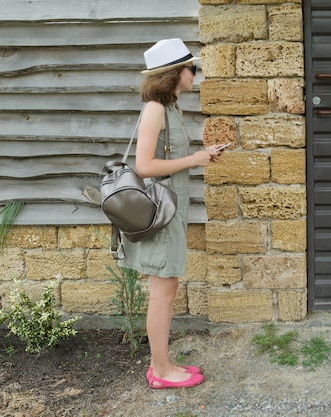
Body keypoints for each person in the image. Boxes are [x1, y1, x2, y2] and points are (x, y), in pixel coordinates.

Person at [118, 38, 226, 389]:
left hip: (173, 209)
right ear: (173, 74)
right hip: (161, 213)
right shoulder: (155, 109)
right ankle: (161, 371)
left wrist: (203, 153)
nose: (195, 73)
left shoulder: (171, 108)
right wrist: (195, 159)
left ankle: (162, 362)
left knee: (167, 288)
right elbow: (145, 165)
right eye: (191, 68)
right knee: (161, 293)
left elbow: (167, 161)